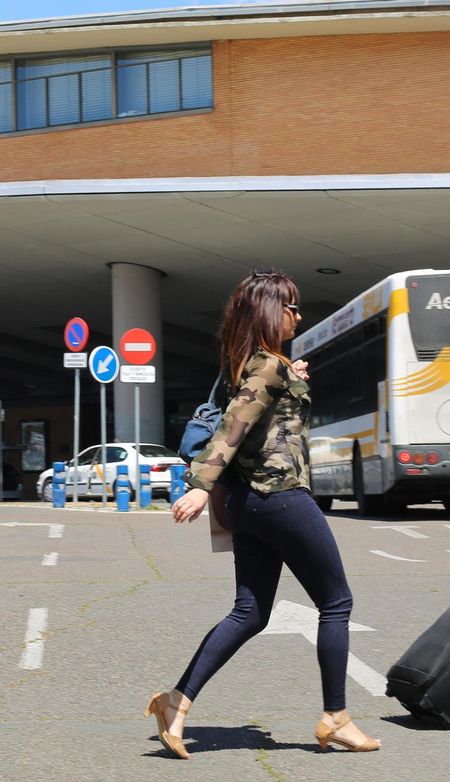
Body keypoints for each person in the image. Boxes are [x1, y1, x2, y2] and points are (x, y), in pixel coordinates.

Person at [146, 269, 379, 759]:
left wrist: (291, 382)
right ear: (270, 312)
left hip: (249, 506)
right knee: (336, 604)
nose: (298, 314)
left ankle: (175, 702)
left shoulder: (255, 364)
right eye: (291, 307)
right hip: (281, 499)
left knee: (249, 612)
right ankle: (335, 718)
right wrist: (199, 486)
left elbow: (257, 417)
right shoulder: (267, 367)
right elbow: (233, 427)